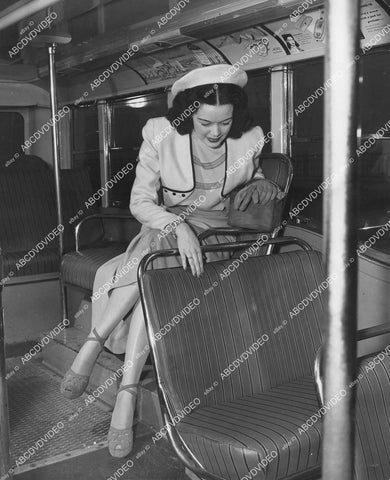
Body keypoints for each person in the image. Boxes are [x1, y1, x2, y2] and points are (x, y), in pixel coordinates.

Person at [60, 64, 280, 458]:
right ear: (187, 114)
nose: (215, 132)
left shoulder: (251, 136)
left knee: (153, 260)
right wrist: (178, 226)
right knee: (158, 257)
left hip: (217, 235)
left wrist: (264, 181)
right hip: (169, 225)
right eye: (204, 122)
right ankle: (126, 393)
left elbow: (254, 172)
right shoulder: (159, 134)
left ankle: (92, 347)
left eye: (224, 122)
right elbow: (140, 202)